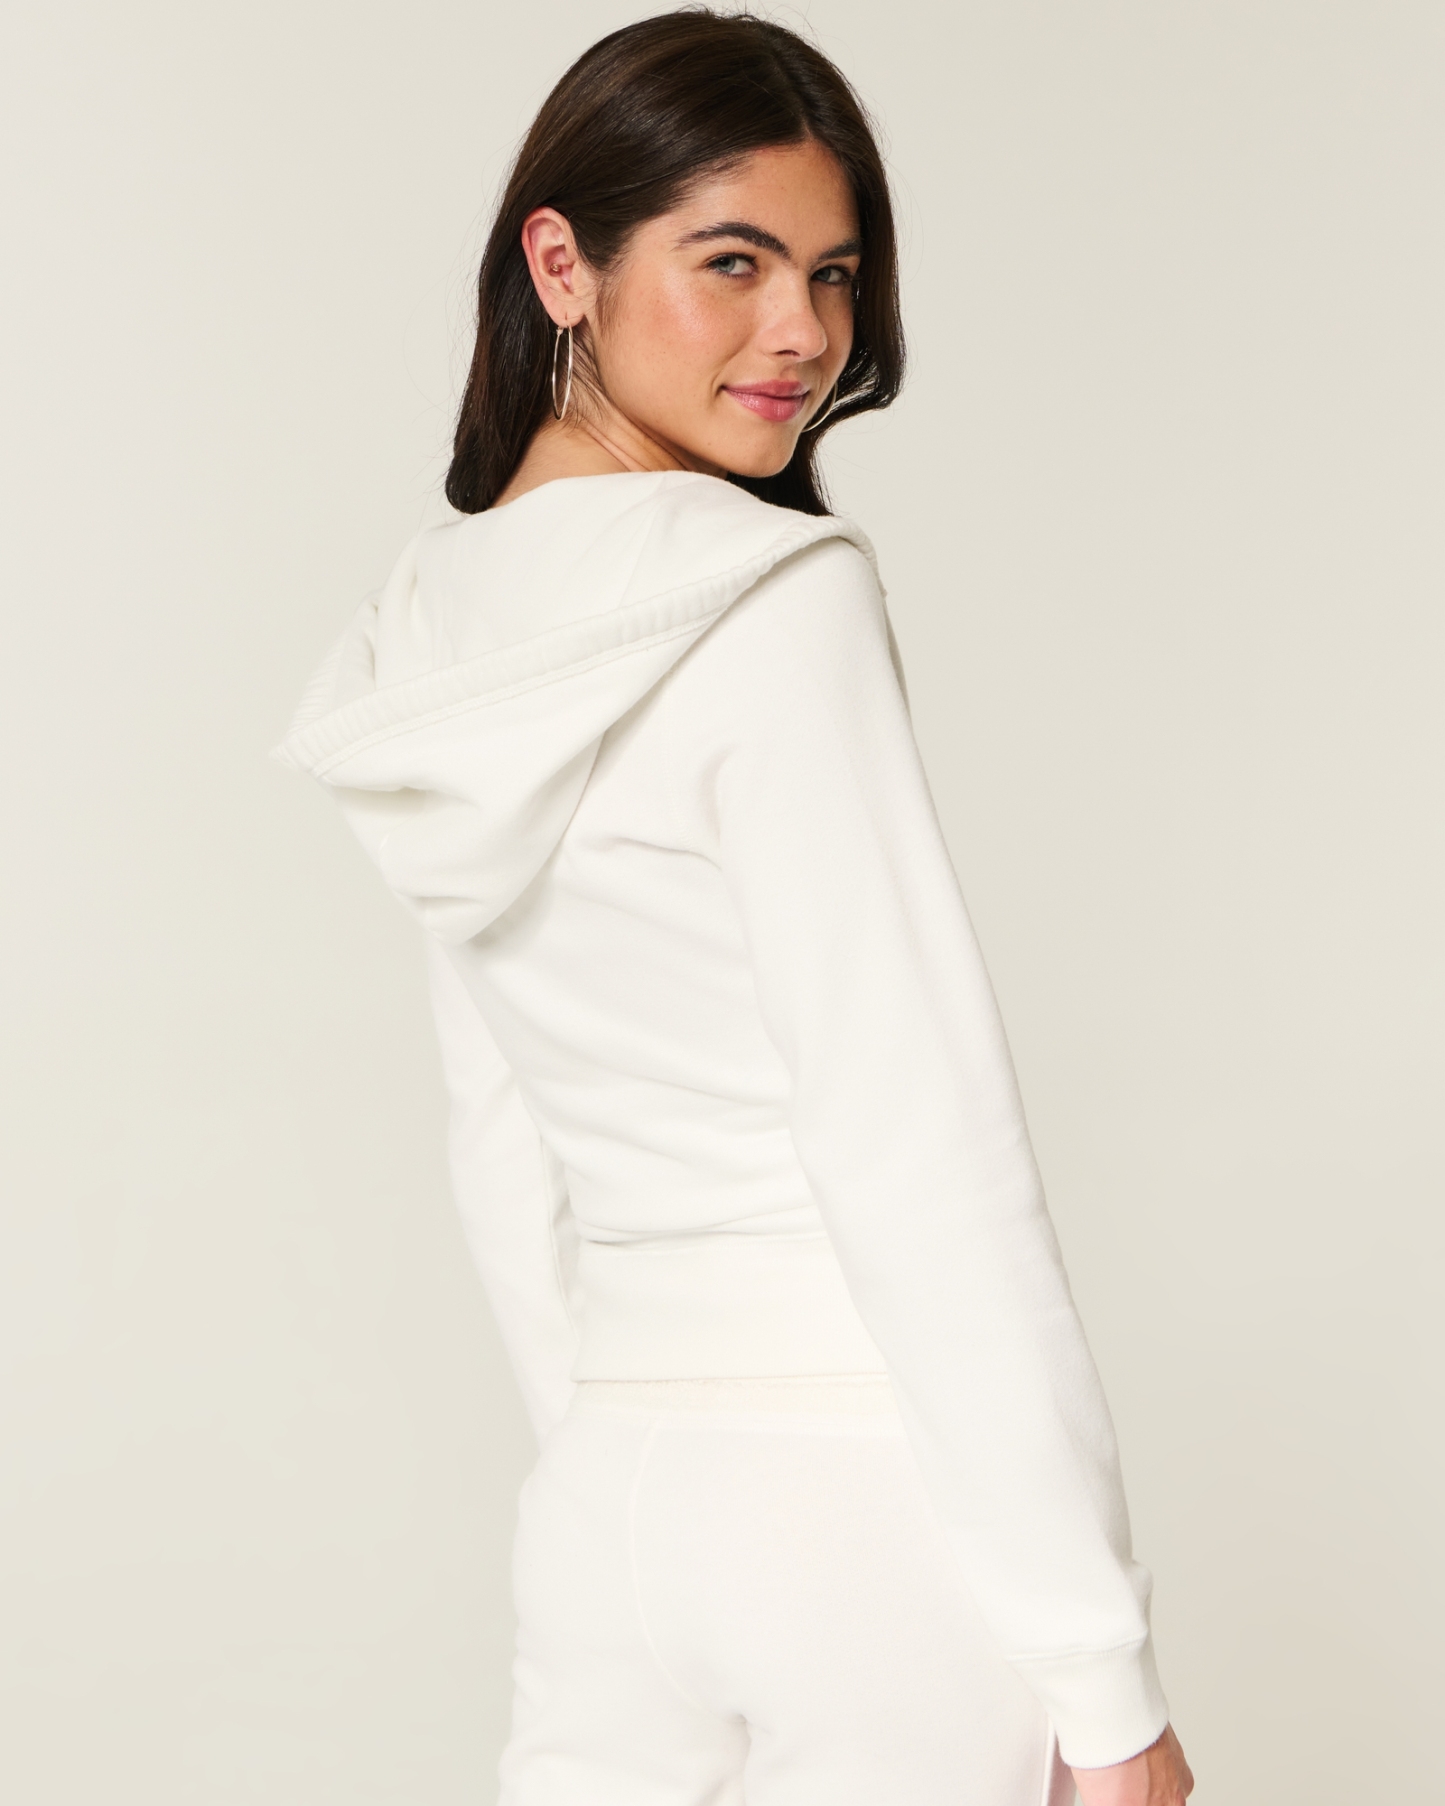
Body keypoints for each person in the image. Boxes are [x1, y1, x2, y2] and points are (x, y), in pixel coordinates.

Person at [278, 12, 1194, 1805]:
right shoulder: (769, 597)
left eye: (832, 274)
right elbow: (914, 1132)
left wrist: (605, 1452)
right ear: (560, 263)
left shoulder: (430, 638)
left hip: (612, 1504)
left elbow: (499, 1133)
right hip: (867, 1502)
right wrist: (1103, 1680)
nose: (803, 332)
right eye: (734, 262)